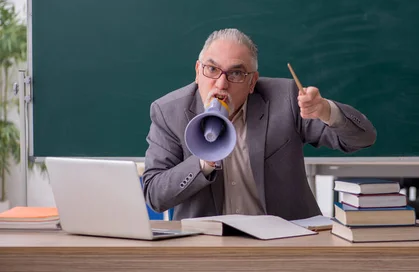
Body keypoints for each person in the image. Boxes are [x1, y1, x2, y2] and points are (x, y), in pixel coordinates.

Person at [142, 28, 376, 221]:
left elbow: (363, 138)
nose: (221, 84)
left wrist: (326, 111)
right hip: (208, 247)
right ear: (197, 71)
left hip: (285, 243)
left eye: (235, 73)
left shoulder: (286, 98)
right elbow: (154, 195)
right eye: (212, 69)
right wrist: (204, 161)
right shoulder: (168, 112)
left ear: (252, 82)